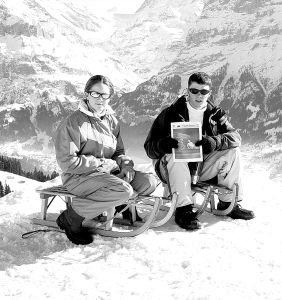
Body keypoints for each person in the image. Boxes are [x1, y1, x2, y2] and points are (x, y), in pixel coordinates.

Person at [144, 72, 255, 231]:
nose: (199, 95)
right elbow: (149, 147)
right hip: (170, 168)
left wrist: (215, 141)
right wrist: (164, 145)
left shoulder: (215, 114)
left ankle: (228, 202)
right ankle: (183, 209)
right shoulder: (170, 113)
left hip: (200, 168)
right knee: (176, 154)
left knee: (233, 151)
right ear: (187, 91)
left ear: (210, 93)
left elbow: (235, 137)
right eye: (194, 91)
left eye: (203, 91)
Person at [55, 75, 158, 245]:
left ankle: (112, 206)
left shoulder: (111, 120)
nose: (100, 99)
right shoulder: (73, 123)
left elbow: (118, 151)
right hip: (79, 177)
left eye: (105, 95)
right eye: (95, 94)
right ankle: (70, 217)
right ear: (87, 94)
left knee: (148, 182)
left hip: (106, 175)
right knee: (124, 190)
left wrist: (125, 165)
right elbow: (67, 162)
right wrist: (102, 163)